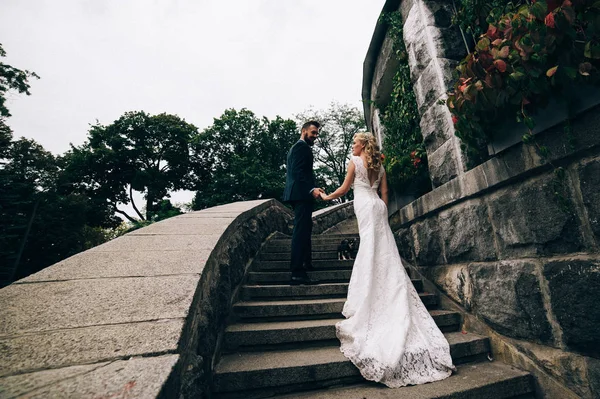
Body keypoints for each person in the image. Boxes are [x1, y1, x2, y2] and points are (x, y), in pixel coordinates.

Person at [319, 132, 455, 387]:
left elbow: (344, 189)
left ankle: (369, 291)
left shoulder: (355, 161)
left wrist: (326, 197)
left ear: (362, 145)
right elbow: (385, 193)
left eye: (355, 142)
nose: (353, 145)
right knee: (382, 248)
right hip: (377, 207)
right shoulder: (379, 166)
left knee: (369, 248)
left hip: (363, 205)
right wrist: (381, 208)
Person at [282, 121, 323, 285]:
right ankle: (297, 272)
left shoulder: (297, 148)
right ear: (304, 131)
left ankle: (306, 264)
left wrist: (313, 187)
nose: (315, 136)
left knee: (305, 229)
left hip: (299, 193)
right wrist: (310, 190)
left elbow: (300, 173)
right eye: (313, 132)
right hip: (300, 194)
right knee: (300, 231)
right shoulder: (301, 147)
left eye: (317, 133)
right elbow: (298, 172)